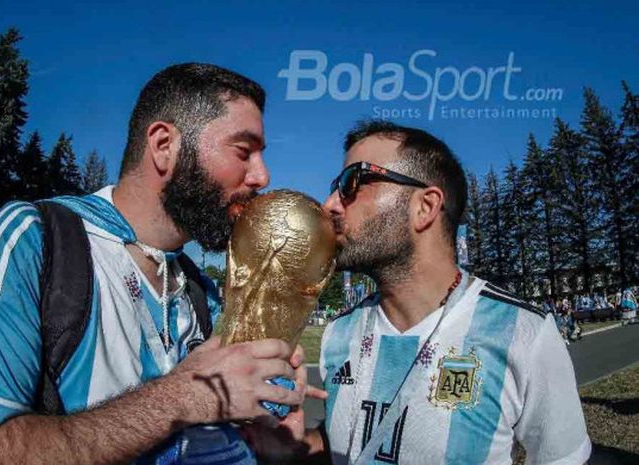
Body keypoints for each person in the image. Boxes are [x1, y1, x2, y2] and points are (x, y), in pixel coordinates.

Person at [0, 63, 309, 465]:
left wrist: (263, 424)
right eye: (244, 151)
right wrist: (187, 395)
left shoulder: (200, 290)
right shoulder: (36, 239)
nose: (262, 176)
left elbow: (216, 423)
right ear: (164, 145)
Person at [245, 120, 591, 465]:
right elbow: (352, 443)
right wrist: (296, 448)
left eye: (352, 182)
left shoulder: (522, 333)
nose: (330, 204)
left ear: (424, 207)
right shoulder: (339, 333)